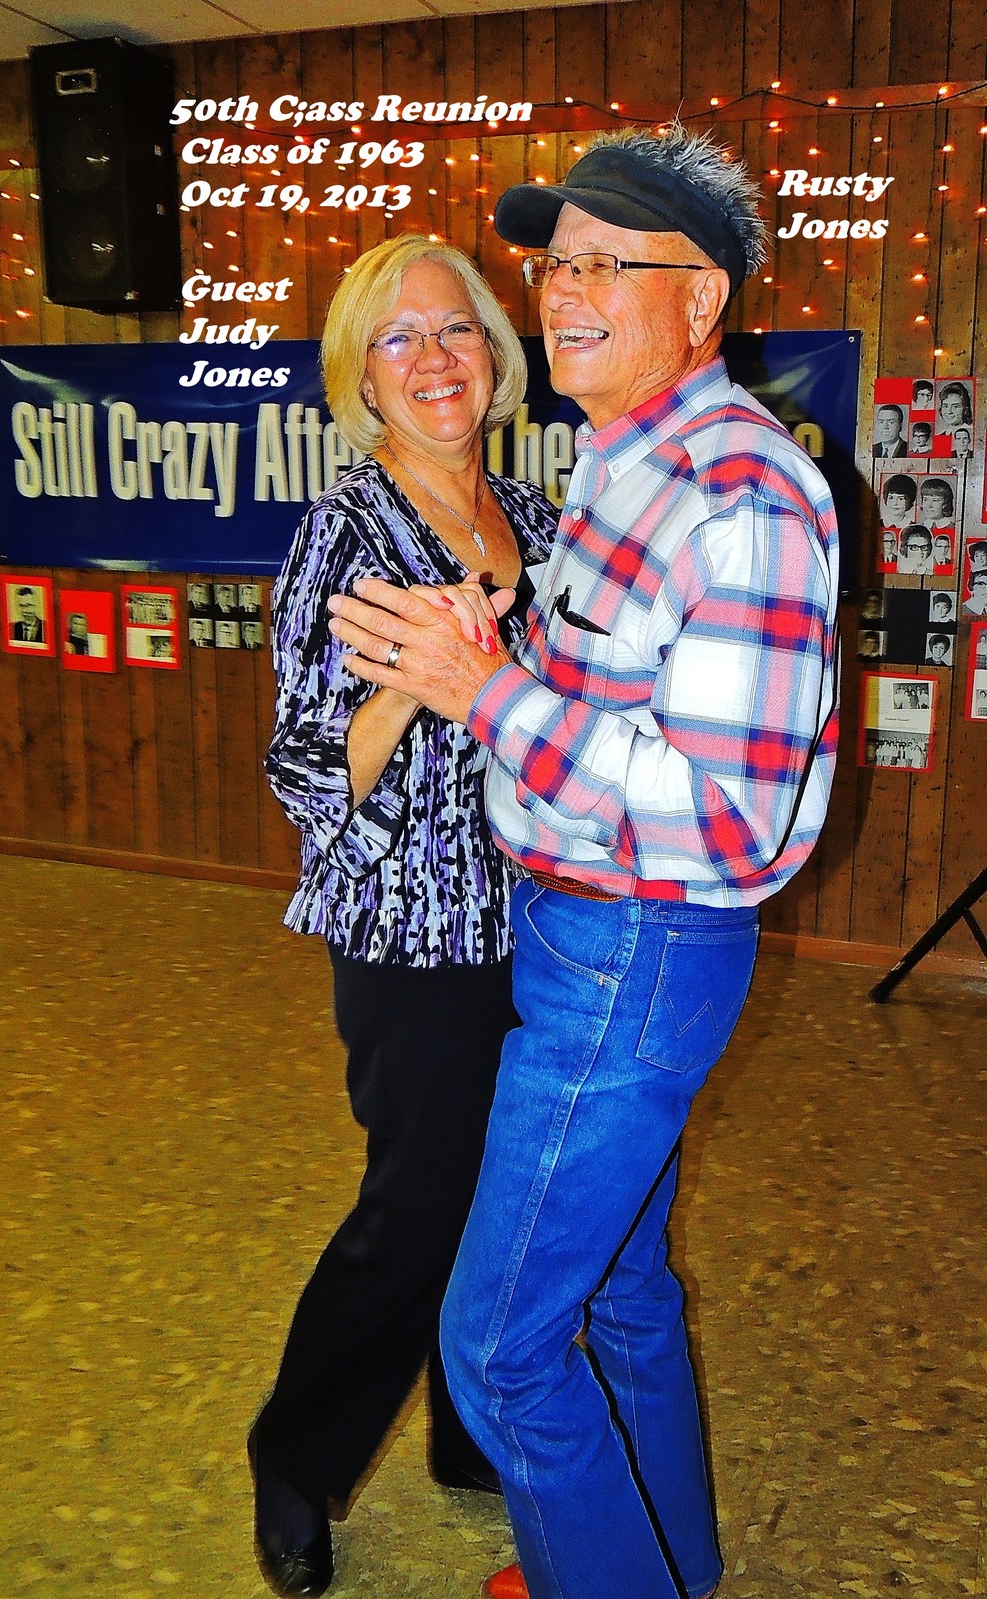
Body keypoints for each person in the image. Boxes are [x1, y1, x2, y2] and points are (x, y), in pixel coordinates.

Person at [330, 124, 840, 1599]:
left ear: (705, 300)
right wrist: (503, 647)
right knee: (617, 1294)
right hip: (580, 938)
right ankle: (665, 1571)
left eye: (611, 265)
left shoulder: (739, 498)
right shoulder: (624, 461)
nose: (562, 292)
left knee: (498, 1348)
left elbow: (731, 820)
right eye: (558, 264)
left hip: (637, 953)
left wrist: (485, 693)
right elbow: (625, 696)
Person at [249, 233, 556, 1598]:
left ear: (495, 355)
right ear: (361, 379)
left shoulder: (533, 518)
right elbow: (302, 773)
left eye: (457, 329)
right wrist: (415, 683)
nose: (434, 358)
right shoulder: (349, 531)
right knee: (417, 1209)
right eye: (399, 338)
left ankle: (465, 1432)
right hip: (411, 925)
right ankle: (296, 1457)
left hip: (543, 916)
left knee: (505, 1198)